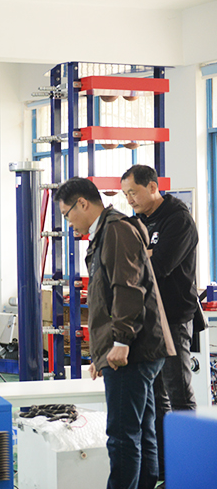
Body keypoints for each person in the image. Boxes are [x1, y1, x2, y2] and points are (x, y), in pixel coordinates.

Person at [55, 177, 174, 489]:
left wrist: (121, 342)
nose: (68, 223)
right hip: (136, 348)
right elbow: (105, 298)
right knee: (141, 430)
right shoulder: (106, 232)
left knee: (122, 436)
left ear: (83, 203)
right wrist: (101, 353)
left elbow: (127, 288)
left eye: (67, 214)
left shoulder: (116, 231)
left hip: (132, 350)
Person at [120, 164, 201, 482]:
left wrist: (145, 256)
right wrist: (146, 254)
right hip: (148, 318)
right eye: (125, 194)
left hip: (174, 317)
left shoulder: (177, 219)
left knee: (178, 393)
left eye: (133, 192)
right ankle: (165, 469)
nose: (129, 199)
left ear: (153, 187)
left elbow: (161, 265)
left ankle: (190, 469)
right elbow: (131, 259)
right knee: (155, 398)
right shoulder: (139, 220)